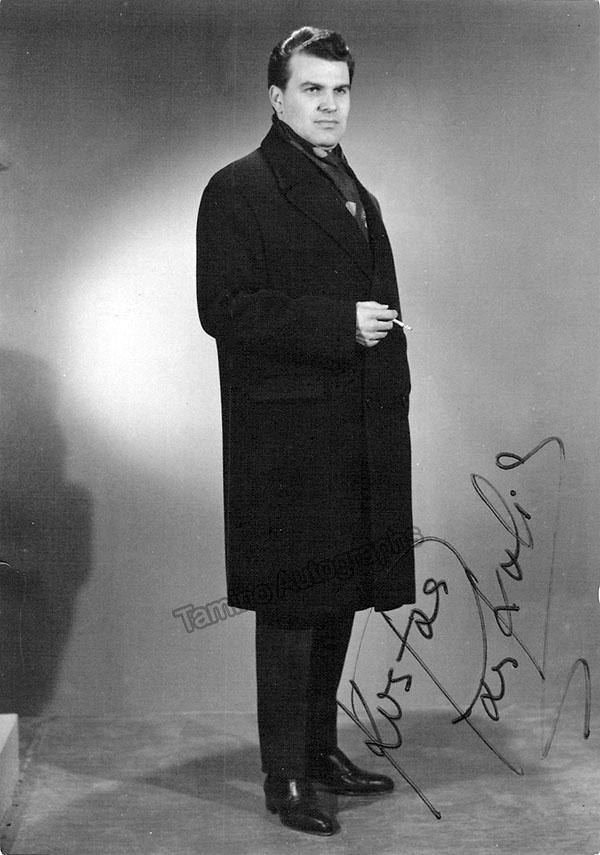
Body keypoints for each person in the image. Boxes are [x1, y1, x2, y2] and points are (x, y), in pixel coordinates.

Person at [197, 26, 415, 837]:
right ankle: (285, 774)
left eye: (340, 90)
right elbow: (224, 308)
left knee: (340, 594)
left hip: (355, 425)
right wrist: (337, 323)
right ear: (276, 96)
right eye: (312, 89)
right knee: (293, 606)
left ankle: (319, 753)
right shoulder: (238, 187)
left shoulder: (354, 187)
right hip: (286, 439)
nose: (329, 105)